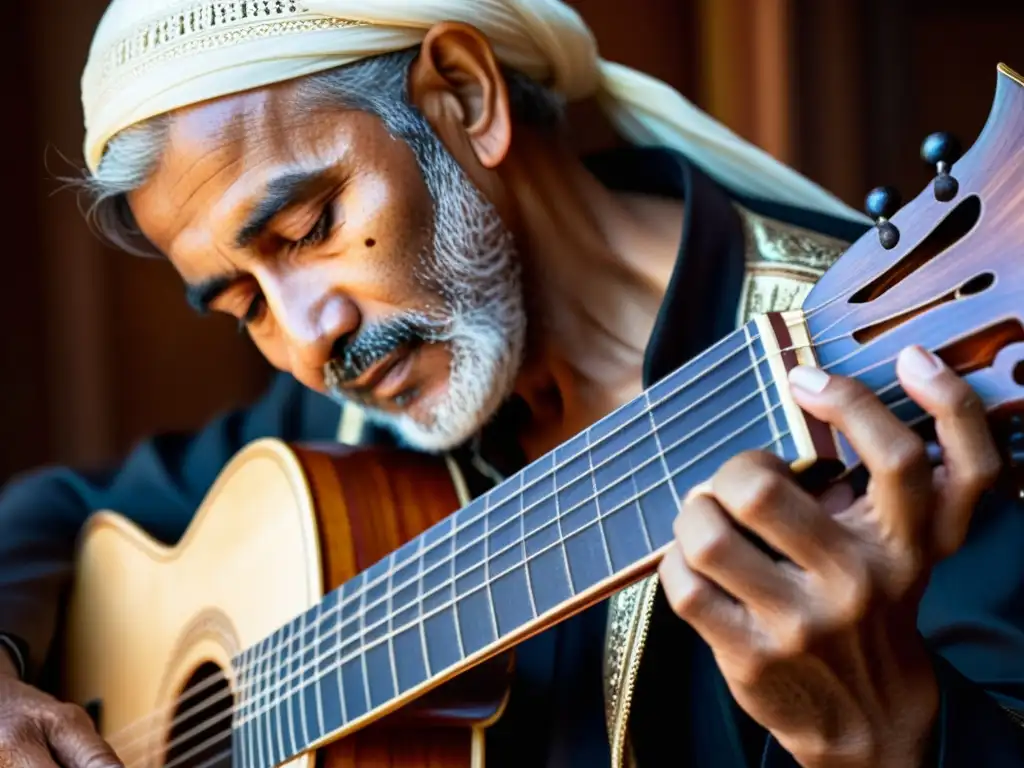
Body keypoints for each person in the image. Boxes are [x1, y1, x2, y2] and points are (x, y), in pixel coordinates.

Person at [1, 1, 1022, 766]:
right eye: (244, 307)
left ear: (464, 97)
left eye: (308, 230)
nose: (310, 338)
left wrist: (888, 738)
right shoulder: (343, 418)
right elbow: (56, 512)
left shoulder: (894, 392)